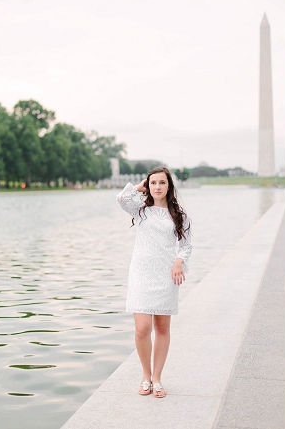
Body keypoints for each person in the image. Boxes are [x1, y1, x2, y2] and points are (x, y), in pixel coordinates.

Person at [117, 166, 192, 398]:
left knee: (161, 328)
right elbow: (122, 198)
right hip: (141, 275)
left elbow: (187, 245)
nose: (157, 187)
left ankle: (157, 379)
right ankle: (145, 376)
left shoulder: (179, 216)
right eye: (153, 183)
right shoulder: (141, 211)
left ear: (169, 186)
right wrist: (139, 186)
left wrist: (179, 261)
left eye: (161, 183)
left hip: (165, 276)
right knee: (142, 329)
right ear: (148, 186)